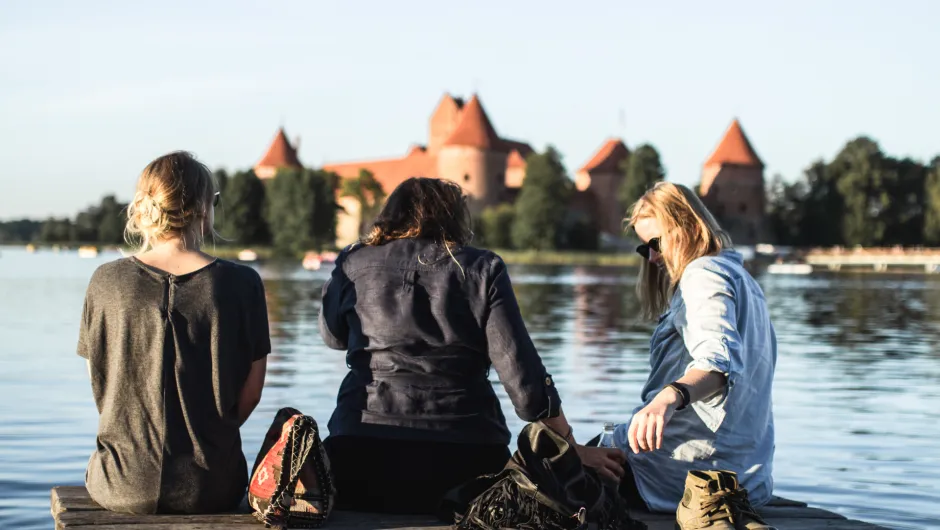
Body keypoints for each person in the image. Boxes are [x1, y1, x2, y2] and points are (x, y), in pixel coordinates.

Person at [319, 177, 625, 515]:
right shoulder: (483, 268)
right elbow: (525, 386)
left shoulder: (351, 263)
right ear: (453, 217)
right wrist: (571, 447)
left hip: (359, 459)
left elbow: (333, 337)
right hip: (465, 468)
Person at [77, 151, 270, 514]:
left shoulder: (105, 281)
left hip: (121, 483)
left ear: (143, 207)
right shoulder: (243, 283)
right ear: (203, 208)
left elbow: (102, 384)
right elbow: (251, 394)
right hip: (213, 487)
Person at [613, 181, 777, 513]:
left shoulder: (702, 274)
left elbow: (717, 364)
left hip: (680, 475)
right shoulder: (745, 281)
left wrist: (666, 398)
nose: (654, 256)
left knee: (545, 465)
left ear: (686, 227)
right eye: (645, 248)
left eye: (656, 242)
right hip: (748, 479)